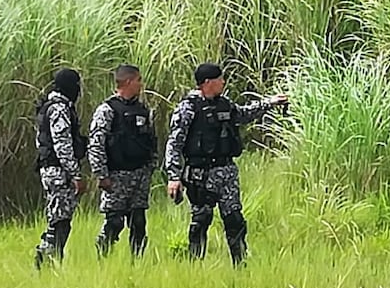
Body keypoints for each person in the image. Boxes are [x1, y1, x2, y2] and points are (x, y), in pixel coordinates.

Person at [164, 63, 287, 265]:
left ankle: (240, 264)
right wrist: (174, 177)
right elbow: (174, 143)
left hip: (227, 172)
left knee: (235, 220)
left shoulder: (224, 104)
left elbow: (244, 114)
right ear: (207, 83)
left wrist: (270, 103)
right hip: (200, 174)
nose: (223, 82)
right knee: (201, 221)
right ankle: (194, 267)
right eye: (220, 79)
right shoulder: (188, 108)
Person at [88, 64, 158, 258]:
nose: (141, 85)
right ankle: (103, 256)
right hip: (116, 176)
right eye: (138, 80)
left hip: (140, 176)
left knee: (138, 223)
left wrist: (150, 167)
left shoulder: (143, 110)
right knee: (115, 222)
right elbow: (96, 143)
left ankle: (138, 263)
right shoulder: (107, 110)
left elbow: (152, 141)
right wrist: (102, 175)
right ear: (128, 82)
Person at [34, 67, 87, 269]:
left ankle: (49, 260)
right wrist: (75, 174)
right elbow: (62, 144)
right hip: (59, 172)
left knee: (58, 218)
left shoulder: (48, 106)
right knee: (60, 221)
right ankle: (47, 261)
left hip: (50, 170)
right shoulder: (59, 108)